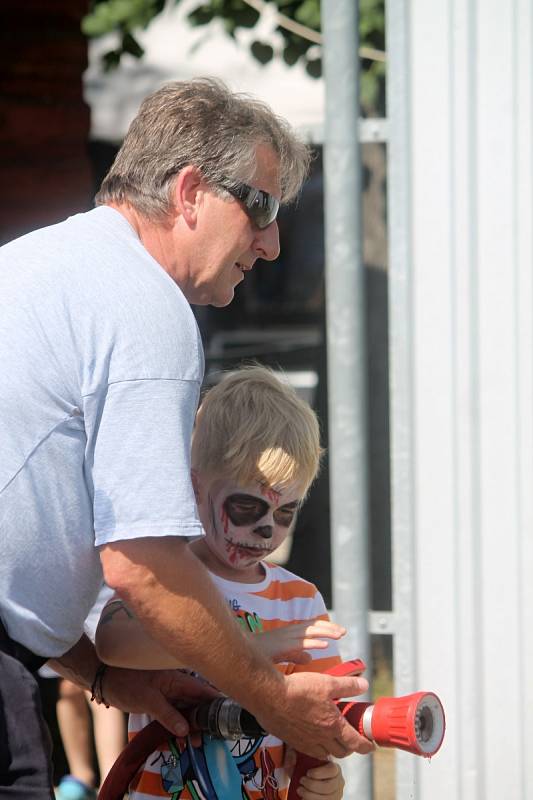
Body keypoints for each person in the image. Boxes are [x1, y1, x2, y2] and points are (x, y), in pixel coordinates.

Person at [0, 78, 371, 800]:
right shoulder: (144, 305)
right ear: (190, 190)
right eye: (260, 206)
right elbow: (140, 566)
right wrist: (273, 699)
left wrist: (104, 675)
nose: (269, 244)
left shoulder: (44, 262)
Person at [96, 366, 364, 799]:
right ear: (194, 487)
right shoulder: (162, 578)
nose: (266, 531)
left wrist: (324, 780)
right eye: (245, 507)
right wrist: (262, 647)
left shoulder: (300, 601)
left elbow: (319, 727)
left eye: (285, 513)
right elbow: (112, 644)